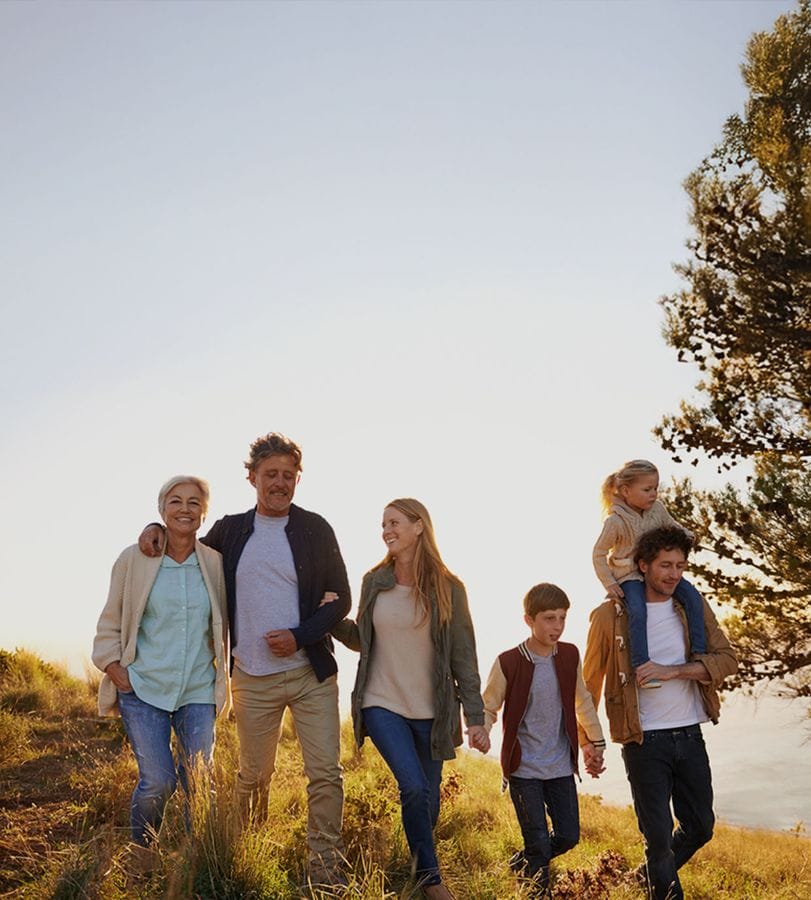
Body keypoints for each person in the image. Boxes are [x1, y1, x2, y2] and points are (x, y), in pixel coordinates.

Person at [139, 433, 351, 888]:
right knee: (253, 776)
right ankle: (250, 851)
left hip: (310, 674)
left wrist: (299, 635)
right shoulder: (230, 531)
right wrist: (153, 529)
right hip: (252, 678)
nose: (279, 483)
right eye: (270, 474)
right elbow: (185, 546)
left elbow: (341, 601)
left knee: (325, 775)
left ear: (297, 479)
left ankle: (324, 867)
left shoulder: (316, 528)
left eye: (288, 476)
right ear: (252, 477)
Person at [331, 498, 489, 900]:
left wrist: (476, 718)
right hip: (381, 702)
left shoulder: (449, 588)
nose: (386, 529)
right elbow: (362, 640)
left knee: (429, 801)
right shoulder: (374, 582)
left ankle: (416, 864)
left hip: (433, 713)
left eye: (394, 522)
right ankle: (431, 882)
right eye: (383, 523)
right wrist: (331, 619)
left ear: (419, 527)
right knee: (414, 788)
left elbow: (463, 656)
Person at [584, 526, 738, 900]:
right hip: (643, 740)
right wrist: (589, 740)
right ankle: (662, 887)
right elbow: (587, 683)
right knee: (657, 839)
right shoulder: (610, 616)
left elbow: (727, 660)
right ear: (643, 565)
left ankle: (646, 877)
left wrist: (673, 671)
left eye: (680, 566)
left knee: (701, 826)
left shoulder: (691, 607)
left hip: (689, 734)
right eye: (665, 565)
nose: (673, 574)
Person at [92, 475, 228, 860]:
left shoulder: (215, 564)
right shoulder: (133, 559)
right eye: (175, 501)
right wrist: (116, 669)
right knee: (158, 782)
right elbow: (111, 619)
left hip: (198, 689)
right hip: (143, 687)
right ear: (161, 509)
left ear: (204, 512)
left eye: (194, 502)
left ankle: (196, 861)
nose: (185, 509)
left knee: (199, 782)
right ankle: (143, 855)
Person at [482, 582, 606, 897]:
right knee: (537, 840)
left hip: (561, 765)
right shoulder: (509, 661)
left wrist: (596, 741)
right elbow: (489, 706)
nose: (558, 626)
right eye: (549, 618)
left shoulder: (568, 655)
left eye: (562, 618)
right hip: (524, 769)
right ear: (529, 620)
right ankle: (537, 887)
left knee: (568, 836)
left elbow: (582, 700)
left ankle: (523, 862)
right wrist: (481, 730)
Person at [593, 459, 706, 687]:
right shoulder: (615, 521)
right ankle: (642, 667)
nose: (653, 494)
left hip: (656, 572)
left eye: (655, 488)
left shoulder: (657, 509)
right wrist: (609, 583)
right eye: (647, 490)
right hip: (630, 575)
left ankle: (700, 654)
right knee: (637, 609)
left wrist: (687, 534)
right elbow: (598, 554)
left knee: (694, 598)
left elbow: (673, 525)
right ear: (626, 491)